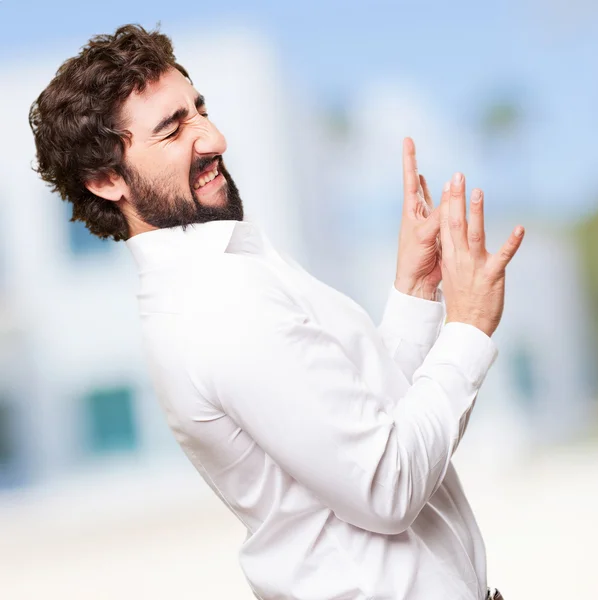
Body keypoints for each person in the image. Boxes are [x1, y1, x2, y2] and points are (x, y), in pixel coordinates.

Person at [29, 24, 522, 600]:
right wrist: (468, 328)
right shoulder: (215, 305)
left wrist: (415, 292)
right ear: (107, 179)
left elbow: (358, 427)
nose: (213, 138)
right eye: (172, 129)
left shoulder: (229, 269)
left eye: (199, 109)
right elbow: (386, 486)